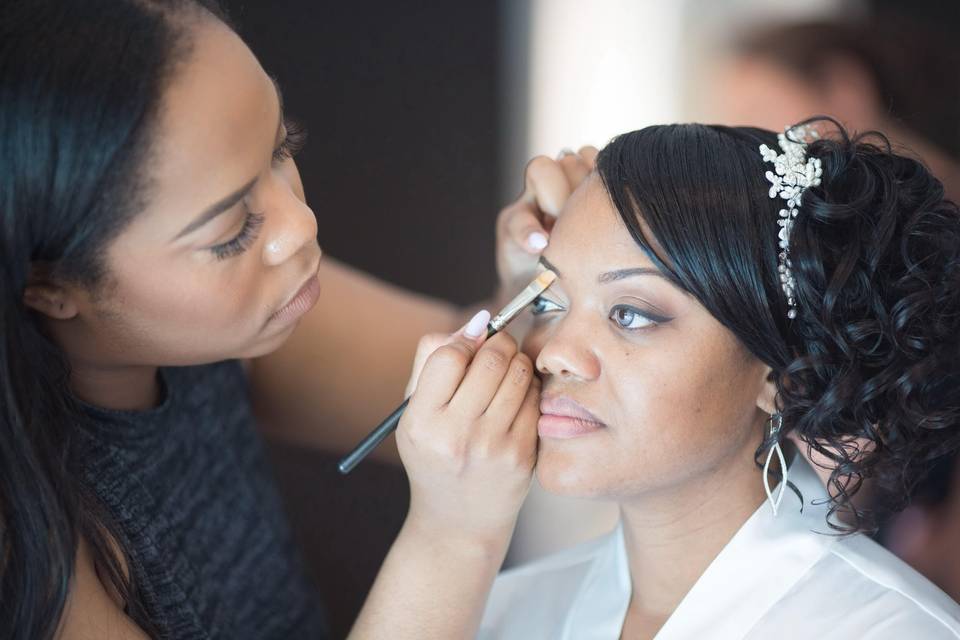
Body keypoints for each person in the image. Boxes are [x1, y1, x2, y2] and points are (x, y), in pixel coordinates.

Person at [0, 1, 585, 637]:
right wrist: (454, 535)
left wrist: (528, 291)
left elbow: (472, 384)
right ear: (48, 284)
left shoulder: (246, 309)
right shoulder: (26, 550)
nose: (299, 227)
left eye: (282, 148)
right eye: (231, 231)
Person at [475, 120, 960, 638]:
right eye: (549, 302)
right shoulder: (501, 612)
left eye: (631, 314)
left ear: (783, 375)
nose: (553, 355)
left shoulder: (892, 630)